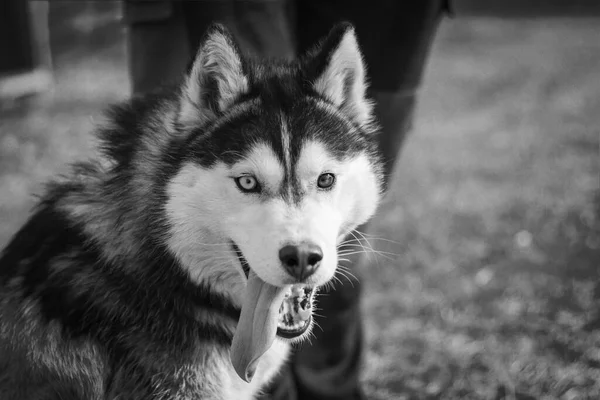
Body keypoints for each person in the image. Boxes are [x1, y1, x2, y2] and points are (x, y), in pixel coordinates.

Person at [123, 1, 600, 399]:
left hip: (390, 11)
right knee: (207, 207)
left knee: (335, 246)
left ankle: (331, 387)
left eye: (326, 181)